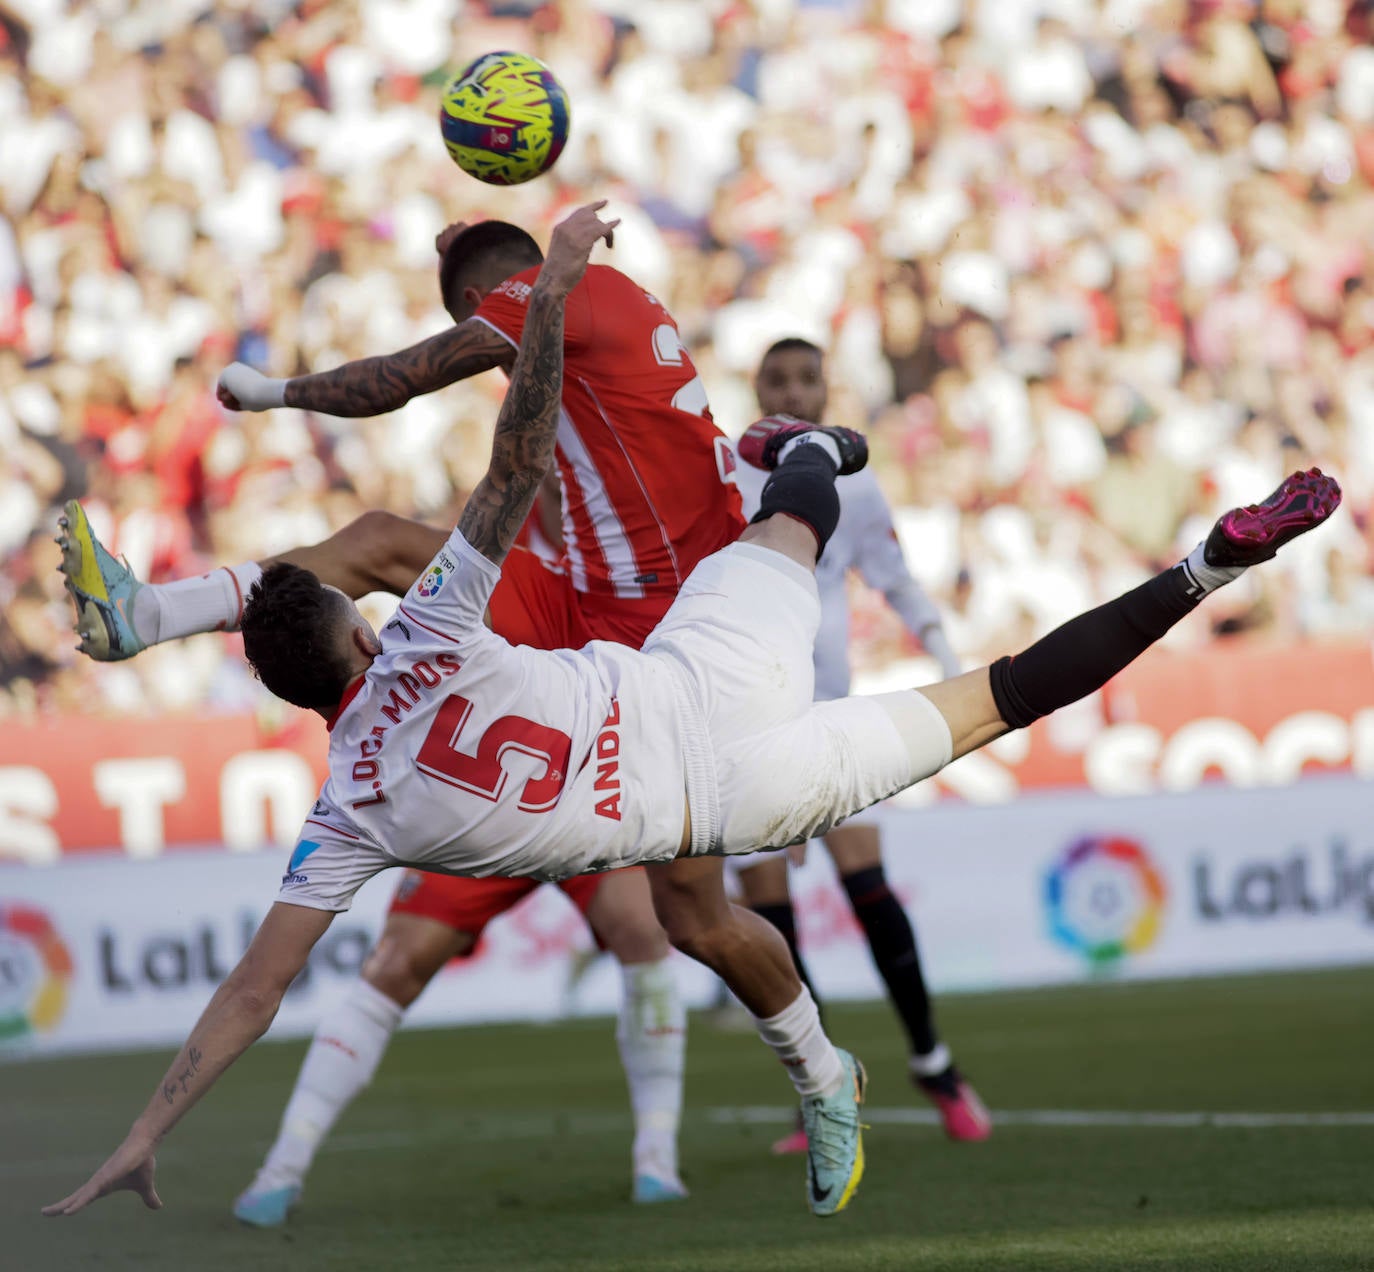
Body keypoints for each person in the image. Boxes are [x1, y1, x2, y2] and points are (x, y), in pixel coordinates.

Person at [44, 203, 1343, 1225]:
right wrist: (547, 283)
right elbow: (511, 449)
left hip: (683, 713)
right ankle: (864, 480)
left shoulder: (346, 810)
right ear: (356, 640)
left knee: (951, 726)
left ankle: (826, 1075)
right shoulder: (435, 626)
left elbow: (254, 988)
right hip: (693, 654)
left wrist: (145, 1133)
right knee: (720, 831)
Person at [730, 338, 989, 1152]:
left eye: (808, 378)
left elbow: (892, 574)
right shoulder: (725, 475)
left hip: (834, 716)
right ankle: (819, 1090)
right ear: (757, 389)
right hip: (749, 723)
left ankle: (934, 1062)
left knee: (868, 888)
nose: (796, 391)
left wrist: (945, 651)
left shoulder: (857, 479)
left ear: (827, 386)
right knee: (769, 920)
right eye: (778, 380)